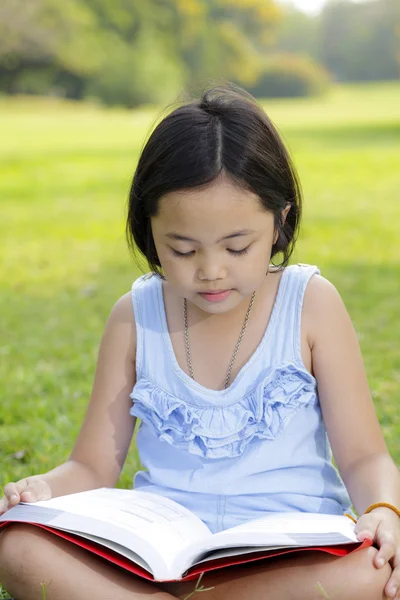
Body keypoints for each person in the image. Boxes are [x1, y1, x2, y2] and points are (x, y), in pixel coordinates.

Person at [0, 83, 399, 600]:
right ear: (150, 231)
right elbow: (94, 466)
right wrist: (41, 490)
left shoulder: (311, 304)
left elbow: (365, 457)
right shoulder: (134, 316)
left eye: (237, 246)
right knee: (19, 548)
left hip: (282, 552)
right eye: (182, 249)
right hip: (161, 546)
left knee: (366, 572)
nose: (211, 272)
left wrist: (384, 512)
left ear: (279, 221)